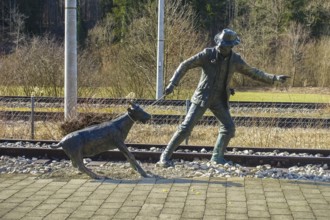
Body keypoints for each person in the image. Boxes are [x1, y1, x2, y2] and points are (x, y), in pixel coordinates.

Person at [158, 28, 290, 167]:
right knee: (186, 128)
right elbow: (185, 64)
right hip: (202, 97)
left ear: (232, 46)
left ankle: (217, 157)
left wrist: (274, 78)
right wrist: (173, 83)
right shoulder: (207, 54)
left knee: (228, 127)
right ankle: (164, 157)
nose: (221, 47)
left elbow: (252, 72)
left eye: (225, 45)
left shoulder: (235, 60)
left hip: (219, 99)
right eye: (220, 44)